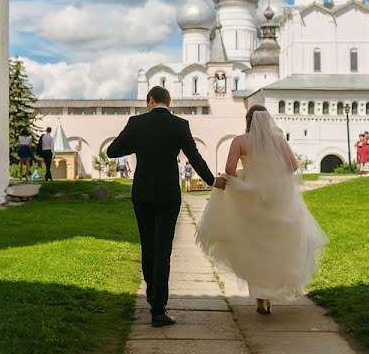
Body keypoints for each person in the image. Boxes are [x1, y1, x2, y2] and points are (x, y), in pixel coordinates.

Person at [196, 105, 327, 316]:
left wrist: (242, 177)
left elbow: (229, 169)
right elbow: (293, 166)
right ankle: (270, 294)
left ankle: (260, 297)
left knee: (253, 245)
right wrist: (272, 175)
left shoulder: (239, 141)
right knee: (273, 245)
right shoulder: (278, 141)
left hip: (250, 197)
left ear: (248, 119)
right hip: (275, 198)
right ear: (267, 121)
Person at [107, 86, 214, 327]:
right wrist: (212, 181)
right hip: (168, 195)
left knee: (148, 246)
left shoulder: (136, 123)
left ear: (150, 100)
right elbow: (194, 157)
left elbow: (112, 151)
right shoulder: (180, 125)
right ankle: (158, 309)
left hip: (142, 193)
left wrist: (137, 143)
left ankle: (151, 293)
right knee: (163, 249)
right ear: (168, 101)